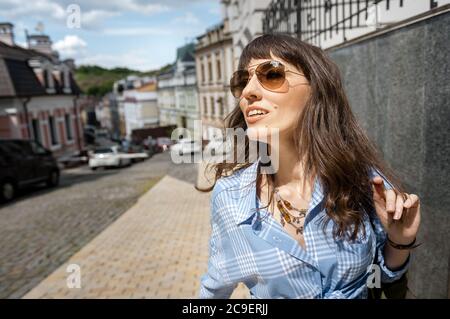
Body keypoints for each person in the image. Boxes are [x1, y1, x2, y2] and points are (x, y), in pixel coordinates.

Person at [198, 34, 421, 299]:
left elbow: (383, 278)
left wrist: (400, 240)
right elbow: (213, 292)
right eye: (243, 82)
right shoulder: (230, 197)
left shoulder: (360, 178)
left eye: (271, 74)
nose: (248, 92)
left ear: (316, 89)